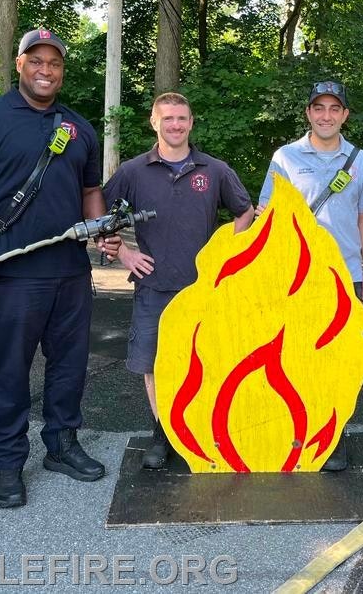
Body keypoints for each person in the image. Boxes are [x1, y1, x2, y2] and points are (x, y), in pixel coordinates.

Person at [0, 28, 122, 509]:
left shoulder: (78, 128)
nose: (46, 70)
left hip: (70, 273)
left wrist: (101, 228)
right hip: (13, 274)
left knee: (70, 366)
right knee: (12, 371)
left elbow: (88, 193)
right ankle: (7, 462)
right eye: (36, 61)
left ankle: (61, 444)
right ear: (19, 64)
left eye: (54, 63)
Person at [103, 92, 255, 469]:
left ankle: (204, 428)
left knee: (209, 360)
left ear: (191, 122)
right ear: (154, 122)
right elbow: (100, 218)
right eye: (167, 118)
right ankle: (163, 433)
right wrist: (124, 253)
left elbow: (246, 210)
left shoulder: (214, 170)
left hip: (205, 289)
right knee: (155, 364)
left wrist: (226, 255)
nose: (175, 125)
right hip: (154, 286)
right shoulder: (132, 171)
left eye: (182, 118)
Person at [257, 79, 363, 472]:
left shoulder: (362, 161)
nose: (326, 115)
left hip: (345, 274)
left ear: (344, 115)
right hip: (295, 276)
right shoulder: (286, 157)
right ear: (308, 113)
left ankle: (333, 435)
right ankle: (293, 431)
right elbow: (267, 214)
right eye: (318, 108)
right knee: (292, 357)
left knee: (338, 359)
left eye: (334, 109)